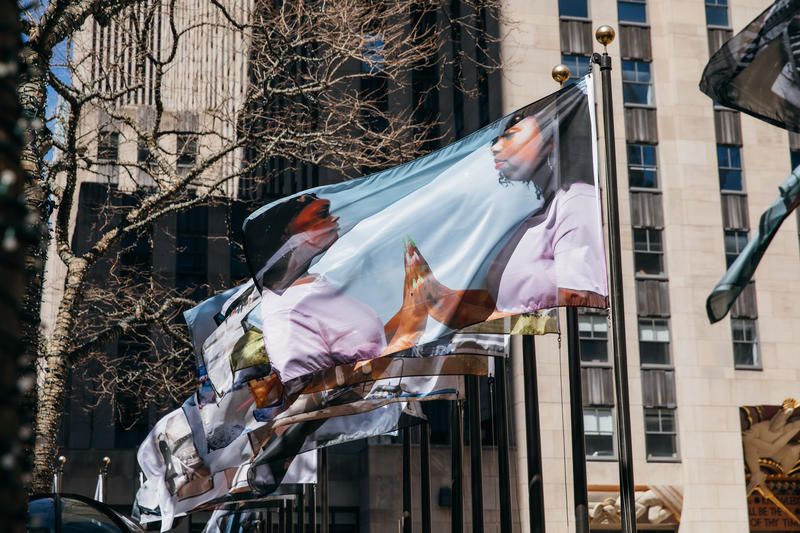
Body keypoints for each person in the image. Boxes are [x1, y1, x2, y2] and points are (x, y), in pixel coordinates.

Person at [408, 105, 607, 330]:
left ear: (550, 143)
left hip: (559, 352)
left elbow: (578, 293)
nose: (496, 148)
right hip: (519, 354)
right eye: (498, 140)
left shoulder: (577, 201)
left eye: (510, 137)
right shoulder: (530, 219)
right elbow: (500, 303)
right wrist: (439, 297)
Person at [250, 194, 431, 383]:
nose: (334, 218)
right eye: (322, 214)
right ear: (286, 233)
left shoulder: (316, 285)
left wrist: (412, 305)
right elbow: (315, 394)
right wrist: (410, 329)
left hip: (393, 410)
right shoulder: (287, 310)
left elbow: (369, 348)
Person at [742, 398, 800, 494]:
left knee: (795, 449)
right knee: (750, 444)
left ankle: (779, 479)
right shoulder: (759, 427)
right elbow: (747, 442)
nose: (781, 420)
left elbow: (774, 449)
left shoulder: (786, 431)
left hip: (776, 461)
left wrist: (753, 441)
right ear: (778, 413)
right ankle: (756, 475)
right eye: (783, 413)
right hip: (755, 461)